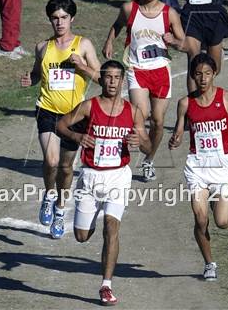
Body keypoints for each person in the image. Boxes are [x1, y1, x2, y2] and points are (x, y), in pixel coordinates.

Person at [57, 60, 151, 306]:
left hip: (118, 176)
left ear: (122, 81)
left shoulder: (133, 111)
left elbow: (149, 145)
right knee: (81, 236)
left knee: (112, 227)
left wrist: (138, 142)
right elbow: (60, 124)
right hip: (90, 176)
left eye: (116, 77)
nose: (112, 82)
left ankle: (106, 285)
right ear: (102, 79)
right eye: (107, 77)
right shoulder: (89, 106)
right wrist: (77, 135)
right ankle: (93, 218)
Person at [21, 0, 101, 239]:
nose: (60, 22)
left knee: (66, 168)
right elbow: (37, 73)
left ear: (72, 18)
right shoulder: (42, 47)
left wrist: (82, 67)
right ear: (50, 20)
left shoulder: (83, 45)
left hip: (75, 116)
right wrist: (30, 79)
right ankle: (49, 195)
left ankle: (60, 209)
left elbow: (102, 77)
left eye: (64, 17)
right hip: (47, 109)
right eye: (55, 18)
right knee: (52, 161)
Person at [169, 53, 228, 280]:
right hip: (198, 167)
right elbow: (178, 131)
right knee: (200, 219)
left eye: (207, 73)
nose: (203, 79)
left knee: (223, 222)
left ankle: (217, 200)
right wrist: (174, 140)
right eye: (198, 74)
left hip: (222, 167)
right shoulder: (185, 103)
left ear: (214, 73)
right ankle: (209, 264)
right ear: (192, 76)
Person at [102, 0, 186, 182]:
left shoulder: (170, 13)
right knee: (141, 116)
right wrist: (110, 41)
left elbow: (183, 43)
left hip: (160, 71)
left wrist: (173, 41)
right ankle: (123, 158)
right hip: (136, 69)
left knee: (158, 122)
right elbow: (117, 25)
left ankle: (148, 160)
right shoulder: (130, 9)